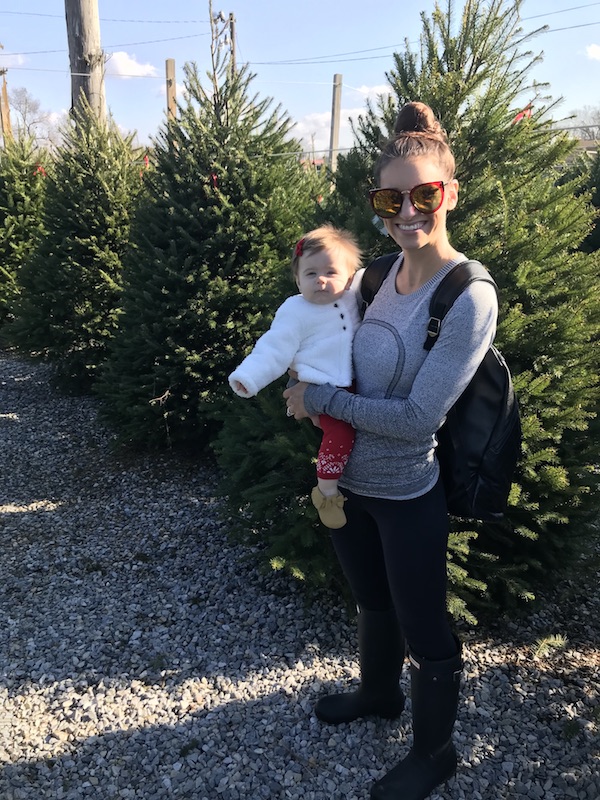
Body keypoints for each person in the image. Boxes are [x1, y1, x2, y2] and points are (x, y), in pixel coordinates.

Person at [283, 101, 498, 800]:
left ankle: (435, 753)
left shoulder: (468, 295)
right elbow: (316, 337)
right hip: (348, 488)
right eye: (390, 197)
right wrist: (298, 373)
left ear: (449, 194)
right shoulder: (372, 276)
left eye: (424, 194)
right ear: (377, 204)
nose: (408, 211)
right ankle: (379, 695)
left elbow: (413, 420)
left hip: (407, 493)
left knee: (424, 624)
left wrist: (321, 402)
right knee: (371, 601)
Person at [228, 224, 363, 529]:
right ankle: (326, 490)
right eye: (311, 274)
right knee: (340, 433)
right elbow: (274, 348)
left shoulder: (352, 295)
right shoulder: (295, 310)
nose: (321, 280)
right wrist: (249, 376)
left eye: (331, 272)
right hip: (315, 383)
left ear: (349, 277)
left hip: (347, 381)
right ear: (297, 278)